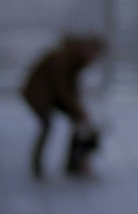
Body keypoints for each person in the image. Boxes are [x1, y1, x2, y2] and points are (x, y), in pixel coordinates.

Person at [20, 32, 109, 176]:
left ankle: (74, 163)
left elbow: (70, 88)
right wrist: (76, 108)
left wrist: (78, 109)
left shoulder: (75, 59)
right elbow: (62, 88)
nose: (94, 58)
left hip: (51, 95)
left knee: (77, 120)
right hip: (39, 95)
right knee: (47, 125)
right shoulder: (63, 58)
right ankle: (38, 167)